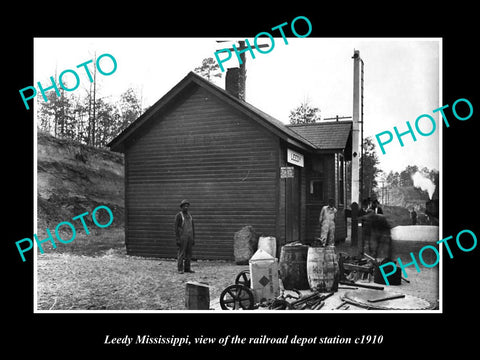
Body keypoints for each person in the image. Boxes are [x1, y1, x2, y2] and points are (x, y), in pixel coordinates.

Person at [174, 199, 195, 274]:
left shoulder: (190, 215)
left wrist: (193, 238)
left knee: (189, 254)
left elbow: (193, 227)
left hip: (190, 236)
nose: (186, 207)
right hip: (182, 237)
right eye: (184, 206)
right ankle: (180, 269)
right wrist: (177, 239)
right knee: (181, 253)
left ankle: (187, 268)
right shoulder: (179, 216)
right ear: (181, 207)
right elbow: (176, 228)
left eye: (187, 206)